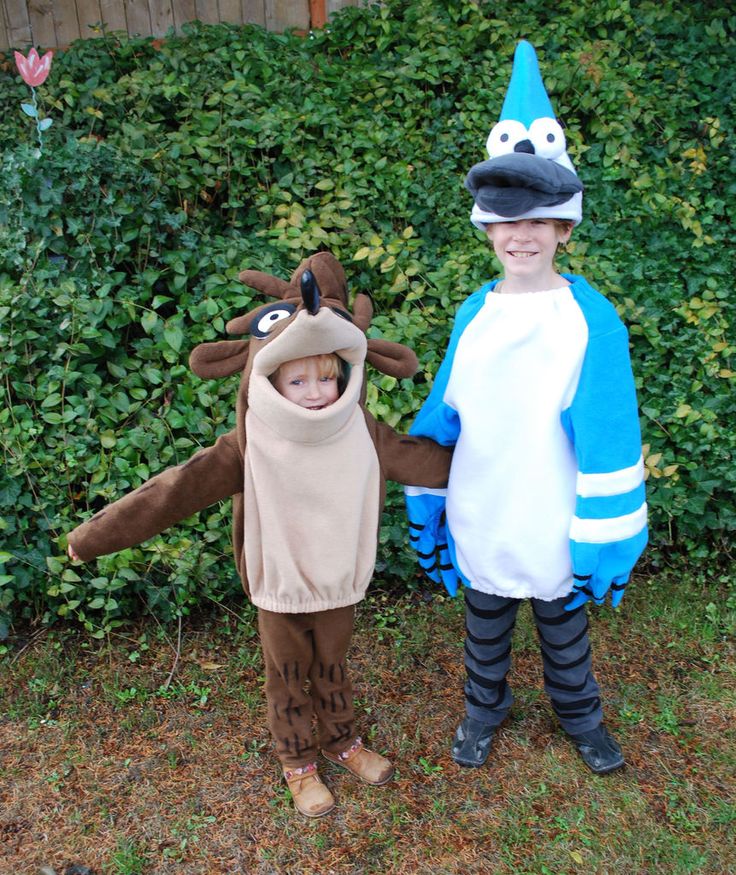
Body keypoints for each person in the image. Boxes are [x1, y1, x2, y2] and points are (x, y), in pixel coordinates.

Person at [66, 252, 452, 817]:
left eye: (327, 376)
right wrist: (92, 537)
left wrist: (500, 471)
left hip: (338, 579)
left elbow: (428, 463)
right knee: (289, 674)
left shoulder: (361, 429)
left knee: (334, 665)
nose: (318, 390)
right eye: (299, 378)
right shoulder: (249, 440)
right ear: (270, 376)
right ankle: (298, 763)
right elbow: (170, 493)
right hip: (279, 585)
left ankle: (344, 742)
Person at [405, 41, 647, 774]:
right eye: (506, 220)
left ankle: (580, 715)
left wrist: (605, 533)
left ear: (564, 228)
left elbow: (609, 433)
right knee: (484, 626)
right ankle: (486, 706)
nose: (523, 233)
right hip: (486, 505)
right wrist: (426, 494)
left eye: (541, 219)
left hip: (552, 512)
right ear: (486, 228)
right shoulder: (472, 314)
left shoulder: (590, 319)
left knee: (563, 630)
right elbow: (445, 408)